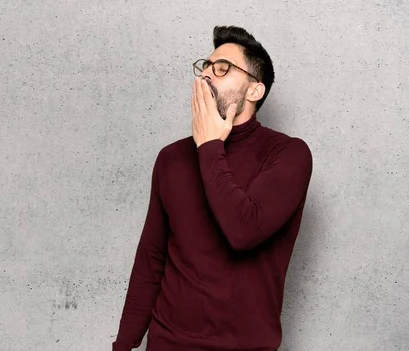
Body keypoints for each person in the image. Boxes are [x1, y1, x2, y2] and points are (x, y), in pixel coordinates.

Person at [112, 25, 314, 351]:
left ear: (254, 91)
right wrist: (122, 345)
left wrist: (209, 145)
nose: (206, 74)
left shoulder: (288, 154)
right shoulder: (172, 159)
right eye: (204, 66)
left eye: (221, 68)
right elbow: (150, 261)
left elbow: (243, 231)